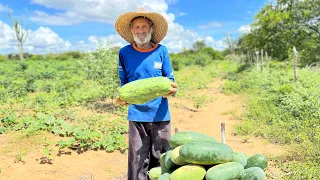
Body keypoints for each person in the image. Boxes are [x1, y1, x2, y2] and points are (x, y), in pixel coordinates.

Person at [114, 8, 178, 180]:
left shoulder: (161, 51)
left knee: (162, 158)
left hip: (160, 113)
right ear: (132, 30)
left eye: (144, 27)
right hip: (136, 114)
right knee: (137, 159)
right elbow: (124, 82)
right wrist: (122, 98)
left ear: (150, 28)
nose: (140, 31)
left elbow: (170, 79)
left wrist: (172, 91)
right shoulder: (124, 53)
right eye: (137, 27)